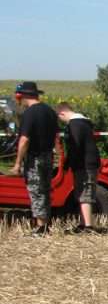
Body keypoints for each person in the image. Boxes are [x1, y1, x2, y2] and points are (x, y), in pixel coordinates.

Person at [10, 81, 60, 235]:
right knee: (45, 190)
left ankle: (41, 227)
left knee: (36, 191)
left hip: (35, 158)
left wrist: (18, 163)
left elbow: (24, 140)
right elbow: (56, 136)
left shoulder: (30, 113)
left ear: (23, 96)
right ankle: (45, 224)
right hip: (48, 157)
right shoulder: (50, 111)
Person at [56, 103, 100, 232]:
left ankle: (88, 226)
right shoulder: (84, 123)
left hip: (84, 165)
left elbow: (76, 146)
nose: (61, 121)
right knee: (81, 192)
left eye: (60, 117)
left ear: (62, 113)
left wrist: (68, 163)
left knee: (85, 194)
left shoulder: (74, 125)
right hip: (87, 163)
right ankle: (83, 223)